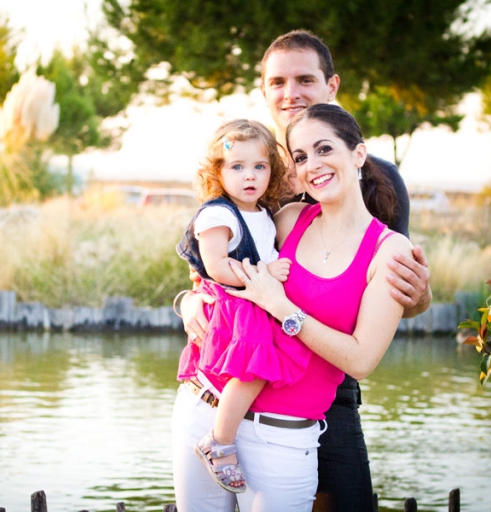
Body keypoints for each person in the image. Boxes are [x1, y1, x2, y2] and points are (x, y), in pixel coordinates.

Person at [178, 29, 432, 511]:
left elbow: (393, 295)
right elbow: (218, 259)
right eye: (277, 82)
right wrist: (187, 298)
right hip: (235, 376)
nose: (290, 92)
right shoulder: (250, 168)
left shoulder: (377, 180)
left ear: (331, 87)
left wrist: (419, 297)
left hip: (323, 394)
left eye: (304, 79)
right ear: (265, 90)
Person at [175, 119, 314, 494]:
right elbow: (217, 266)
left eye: (260, 167)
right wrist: (265, 271)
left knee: (261, 369)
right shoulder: (216, 214)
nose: (249, 176)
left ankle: (223, 434)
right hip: (235, 305)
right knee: (254, 370)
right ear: (217, 172)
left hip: (256, 303)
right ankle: (219, 439)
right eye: (237, 167)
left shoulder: (262, 214)